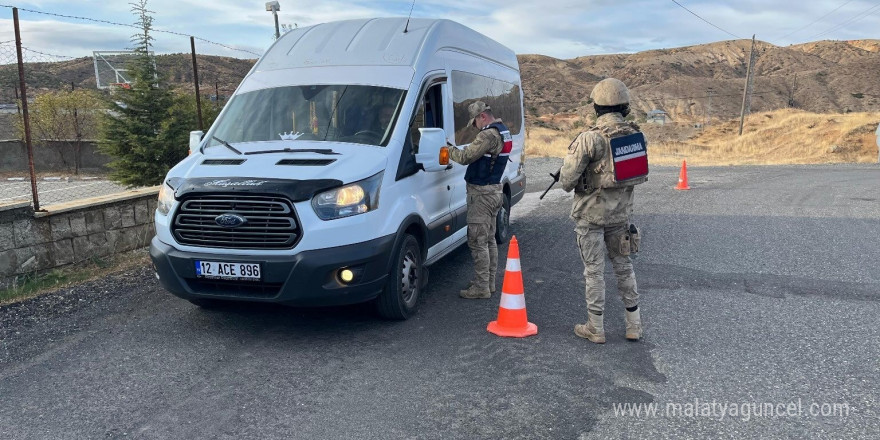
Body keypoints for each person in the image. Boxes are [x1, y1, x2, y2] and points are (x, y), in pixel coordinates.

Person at [559, 78, 647, 343]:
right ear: (625, 107)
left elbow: (566, 181)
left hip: (590, 217)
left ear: (597, 107)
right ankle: (634, 325)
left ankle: (595, 328)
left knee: (594, 272)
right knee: (624, 267)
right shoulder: (636, 137)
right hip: (621, 216)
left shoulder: (590, 139)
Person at [448, 101, 512, 299]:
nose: (474, 127)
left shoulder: (487, 134)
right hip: (494, 191)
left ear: (482, 116)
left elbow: (466, 156)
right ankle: (488, 282)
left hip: (482, 194)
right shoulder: (503, 131)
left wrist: (446, 149)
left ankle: (481, 286)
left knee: (477, 241)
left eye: (474, 122)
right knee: (489, 239)